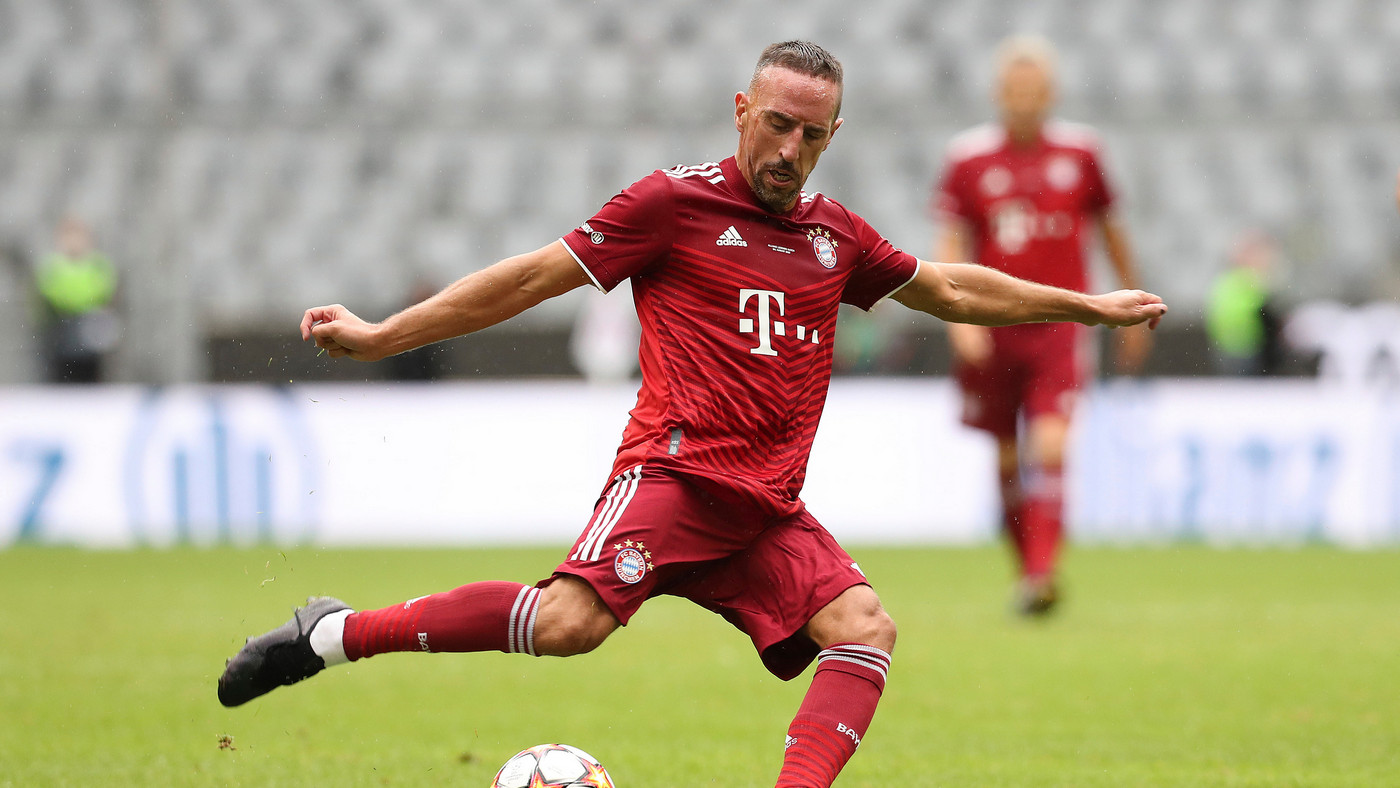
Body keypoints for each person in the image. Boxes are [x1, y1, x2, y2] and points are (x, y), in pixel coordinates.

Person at [219, 41, 1166, 786]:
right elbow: (532, 278)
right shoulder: (670, 204)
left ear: (833, 136)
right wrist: (384, 335)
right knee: (567, 626)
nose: (790, 150)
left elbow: (950, 287)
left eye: (813, 135)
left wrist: (1088, 306)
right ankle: (332, 635)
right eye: (779, 124)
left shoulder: (835, 236)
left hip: (763, 507)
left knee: (864, 626)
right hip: (673, 478)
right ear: (743, 110)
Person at [930, 34, 1151, 616]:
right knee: (1006, 457)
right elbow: (951, 241)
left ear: (1050, 93)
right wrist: (958, 320)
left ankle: (1041, 572)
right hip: (992, 321)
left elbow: (1111, 231)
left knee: (1050, 443)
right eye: (1014, 89)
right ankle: (1027, 571)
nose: (1024, 100)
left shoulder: (1081, 152)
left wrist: (1131, 304)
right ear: (999, 93)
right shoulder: (968, 158)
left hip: (1058, 324)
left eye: (1034, 89)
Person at [33, 217, 120, 383]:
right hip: (59, 338)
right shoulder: (51, 268)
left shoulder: (98, 266)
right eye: (68, 236)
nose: (73, 242)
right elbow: (46, 300)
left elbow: (106, 296)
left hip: (91, 340)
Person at [1205, 230, 1283, 376]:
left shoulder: (1226, 280)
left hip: (1230, 347)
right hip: (1247, 348)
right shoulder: (1249, 280)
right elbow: (1262, 313)